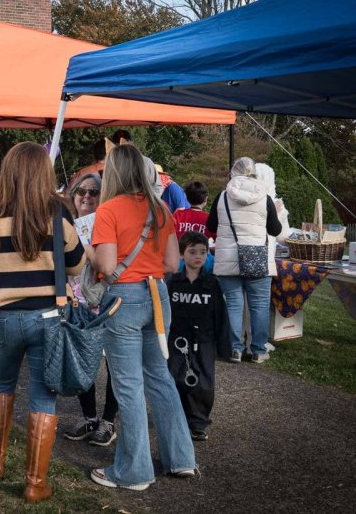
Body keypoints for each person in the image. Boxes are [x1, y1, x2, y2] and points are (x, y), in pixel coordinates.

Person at [0, 142, 85, 502]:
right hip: (47, 317)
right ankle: (35, 482)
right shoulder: (57, 214)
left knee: (1, 382)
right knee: (43, 394)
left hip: (2, 317)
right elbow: (78, 264)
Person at [86, 143, 196, 491]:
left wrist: (83, 246)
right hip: (157, 294)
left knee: (128, 385)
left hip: (125, 299)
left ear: (114, 172)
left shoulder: (108, 210)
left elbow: (104, 265)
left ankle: (134, 471)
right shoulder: (162, 207)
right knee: (160, 378)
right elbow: (173, 265)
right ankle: (181, 458)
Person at [206, 157, 282, 364]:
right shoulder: (264, 197)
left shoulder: (222, 197)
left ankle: (235, 349)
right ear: (253, 173)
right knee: (258, 306)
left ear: (233, 173)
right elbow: (275, 230)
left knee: (233, 304)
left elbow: (211, 225)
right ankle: (258, 350)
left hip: (228, 258)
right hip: (257, 258)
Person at [62, 173, 119, 447]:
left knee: (113, 364)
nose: (86, 196)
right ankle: (89, 418)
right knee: (81, 360)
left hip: (106, 303)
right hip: (76, 304)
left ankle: (108, 422)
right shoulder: (66, 226)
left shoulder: (111, 225)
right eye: (81, 190)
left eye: (94, 191)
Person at [167, 232, 226, 442]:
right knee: (175, 378)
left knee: (203, 382)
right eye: (192, 252)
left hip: (204, 341)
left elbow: (221, 316)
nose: (198, 256)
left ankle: (198, 422)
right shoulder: (173, 283)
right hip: (176, 341)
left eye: (203, 252)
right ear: (182, 255)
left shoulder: (212, 284)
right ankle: (177, 416)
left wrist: (223, 344)